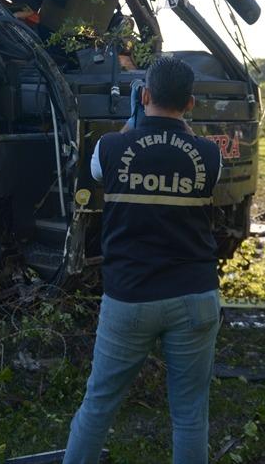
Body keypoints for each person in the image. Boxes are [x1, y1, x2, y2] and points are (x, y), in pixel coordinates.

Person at [62, 57, 223, 464]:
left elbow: (99, 173)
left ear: (144, 95)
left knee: (98, 405)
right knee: (190, 416)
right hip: (195, 297)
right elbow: (195, 161)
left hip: (129, 297)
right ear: (190, 103)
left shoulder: (110, 147)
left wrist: (133, 125)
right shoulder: (209, 154)